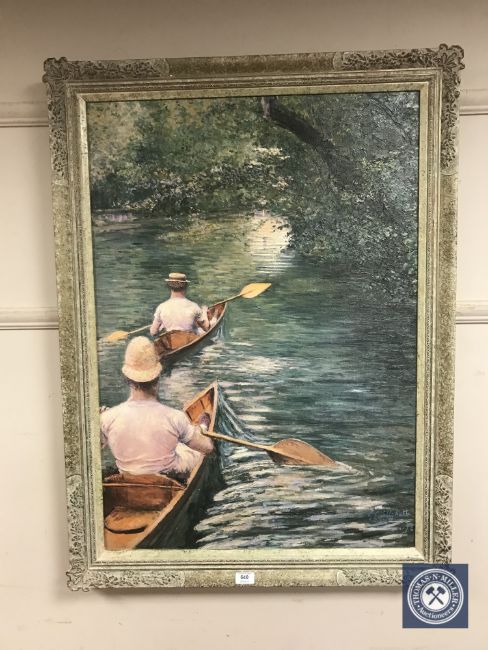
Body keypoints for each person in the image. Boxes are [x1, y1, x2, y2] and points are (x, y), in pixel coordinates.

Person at [100, 336, 214, 480]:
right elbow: (208, 448)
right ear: (157, 377)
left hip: (128, 477)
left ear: (127, 379)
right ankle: (202, 428)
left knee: (177, 442)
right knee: (193, 449)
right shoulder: (174, 417)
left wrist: (99, 420)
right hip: (169, 476)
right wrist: (203, 434)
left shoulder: (107, 418)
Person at [150, 272, 209, 336]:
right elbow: (206, 328)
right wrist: (204, 312)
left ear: (169, 286)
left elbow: (153, 332)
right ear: (185, 286)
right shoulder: (194, 306)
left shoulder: (161, 307)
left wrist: (162, 324)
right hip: (188, 339)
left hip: (172, 339)